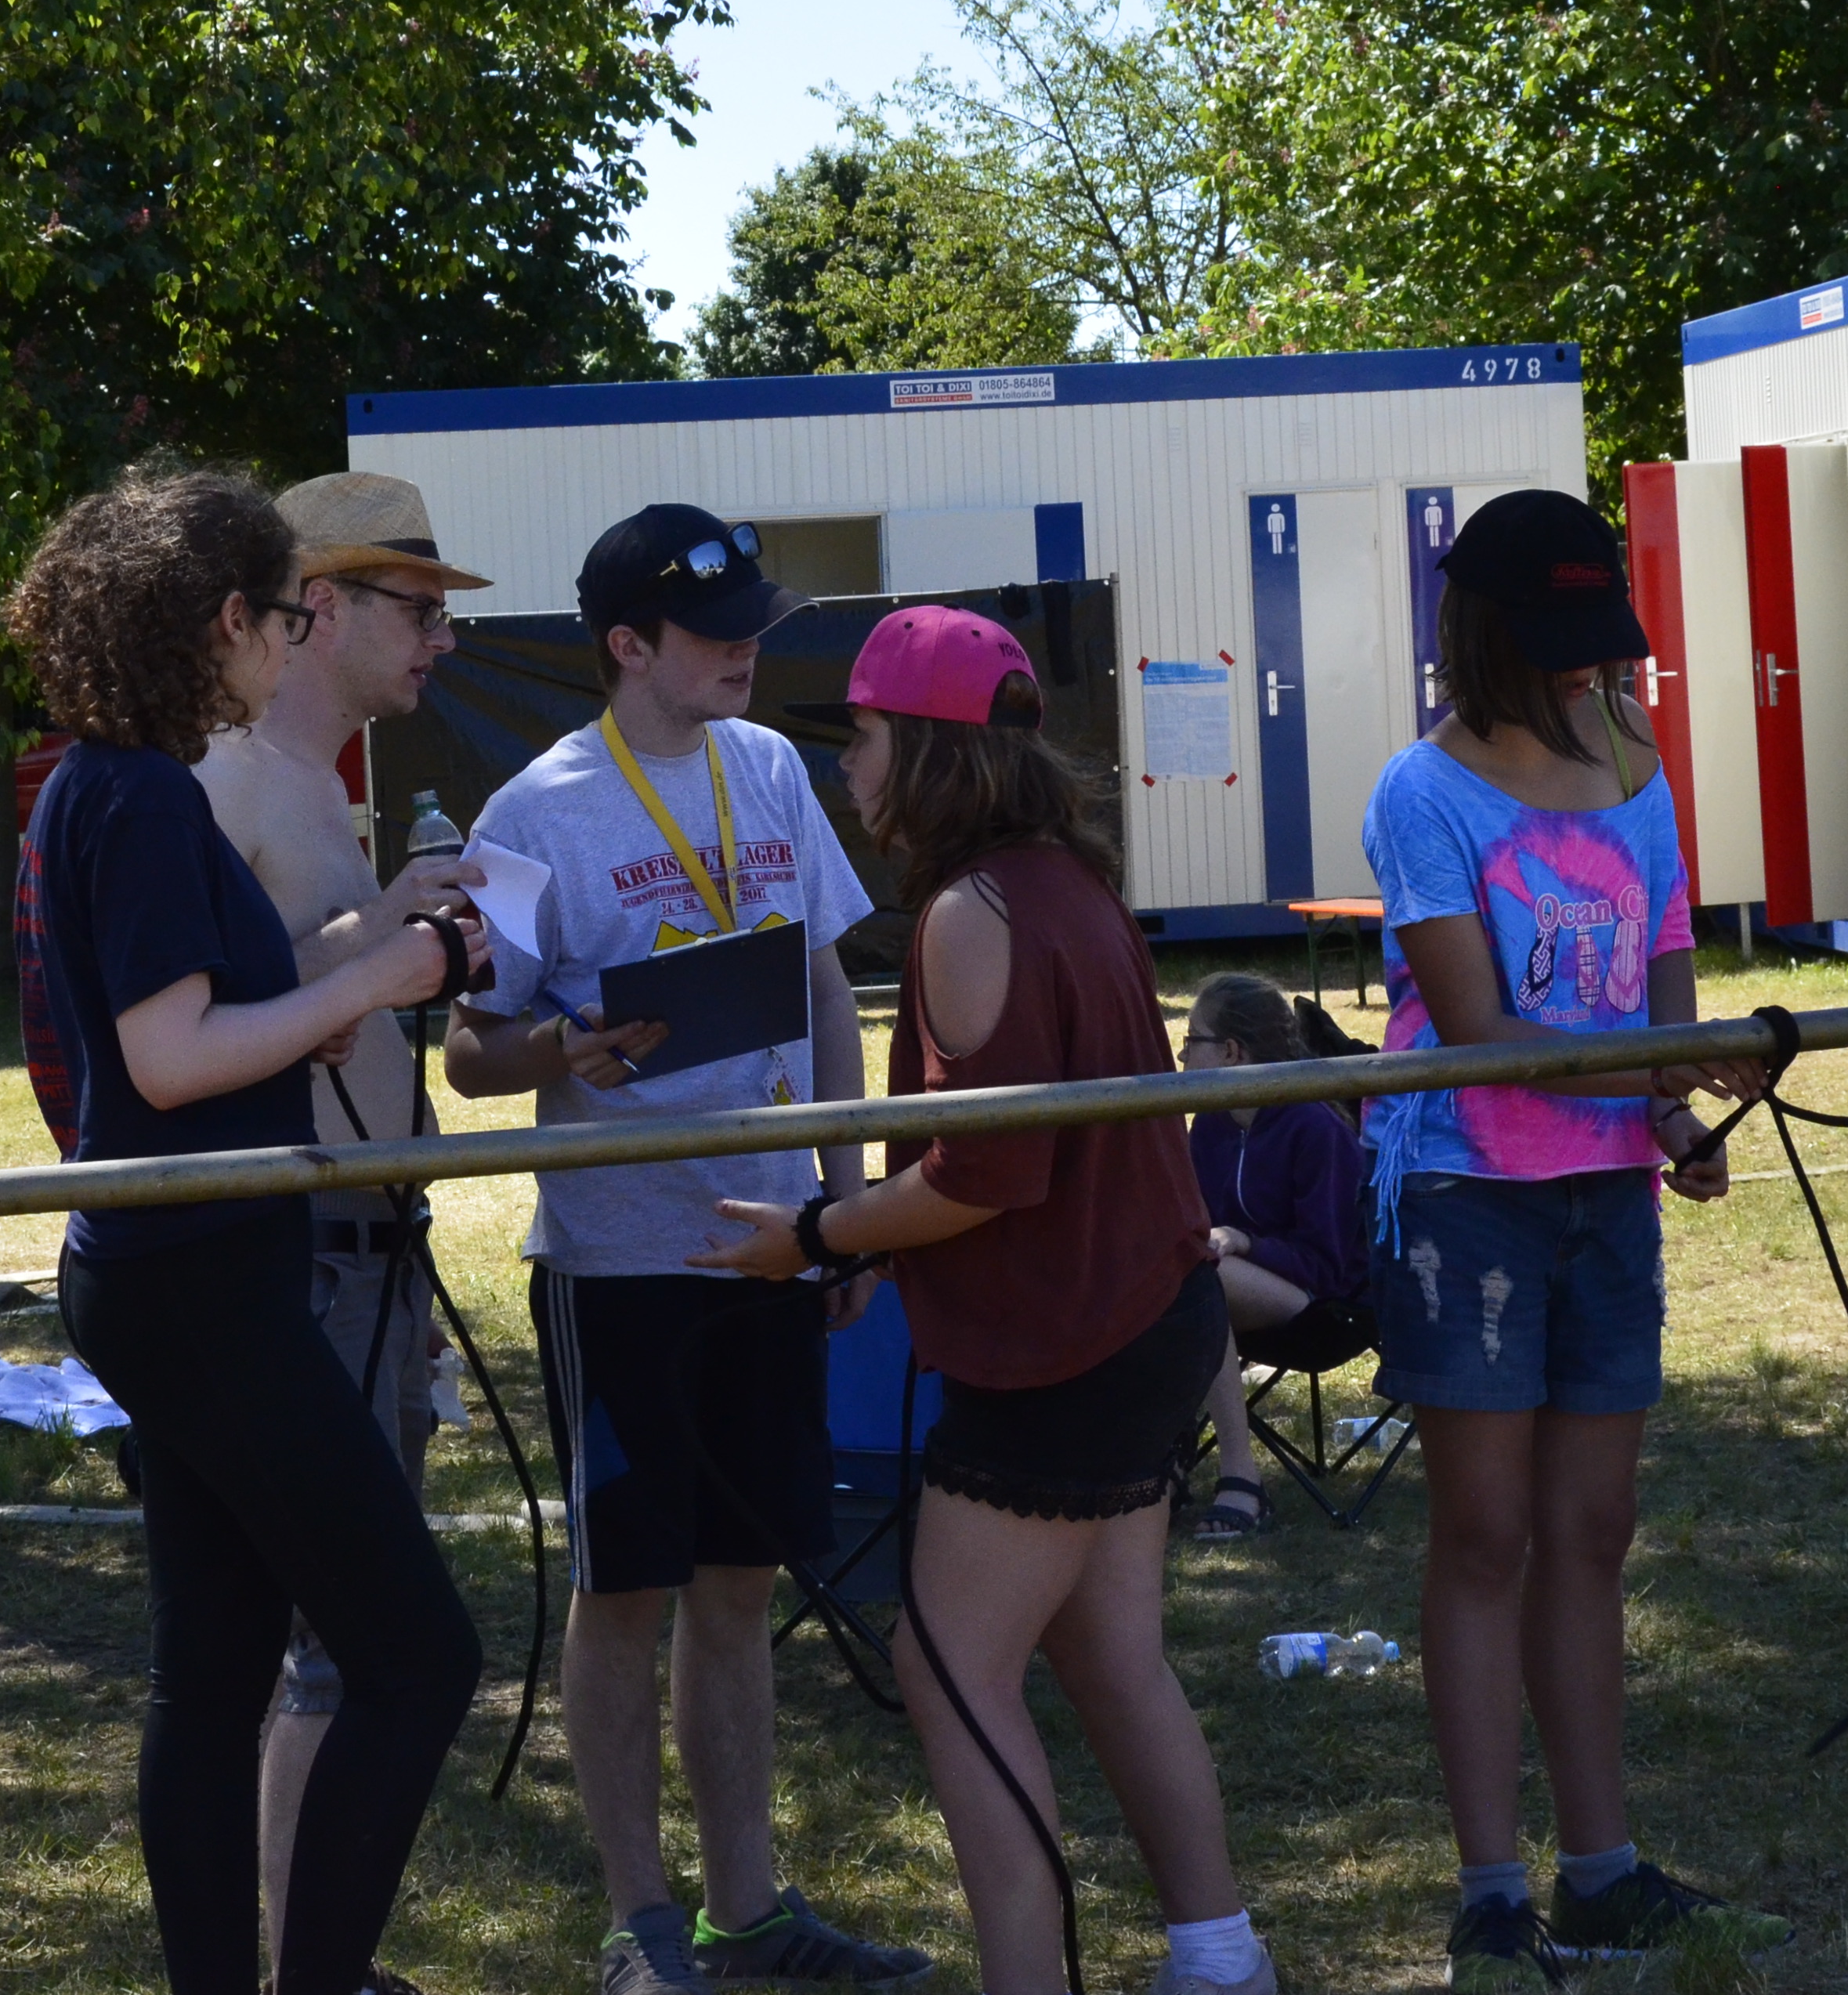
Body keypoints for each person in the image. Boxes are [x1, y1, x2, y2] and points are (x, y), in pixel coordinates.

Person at [698, 603, 1278, 1995]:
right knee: (1112, 1655)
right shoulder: (1070, 883)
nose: (848, 767)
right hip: (1149, 1319)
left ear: (933, 749)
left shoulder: (976, 911)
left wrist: (819, 1233)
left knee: (948, 1668)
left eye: (863, 736)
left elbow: (985, 1176)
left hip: (1068, 1347)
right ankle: (1218, 1959)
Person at [5, 468, 488, 1995]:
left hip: (171, 1265)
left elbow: (186, 1033)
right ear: (225, 619)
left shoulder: (104, 778)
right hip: (197, 1276)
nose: (293, 646)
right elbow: (168, 1057)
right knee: (417, 1655)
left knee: (212, 1683)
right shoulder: (146, 793)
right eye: (286, 619)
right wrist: (380, 979)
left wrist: (337, 987)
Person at [443, 505, 921, 1995]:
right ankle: (640, 1925)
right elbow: (469, 1053)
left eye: (750, 627)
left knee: (738, 1584)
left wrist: (840, 1204)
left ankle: (747, 1908)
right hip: (621, 1263)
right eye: (713, 635)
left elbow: (828, 991)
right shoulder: (530, 811)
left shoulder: (768, 765)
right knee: (626, 1591)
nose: (744, 653)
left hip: (768, 1242)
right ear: (626, 646)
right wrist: (563, 1047)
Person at [1355, 488, 1785, 1990]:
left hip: (1603, 1190)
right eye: (1559, 641)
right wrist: (1662, 1073)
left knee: (1591, 1530)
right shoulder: (1420, 791)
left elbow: (1662, 950)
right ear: (1484, 633)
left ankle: (1600, 1870)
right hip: (1465, 1192)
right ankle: (1490, 1887)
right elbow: (1474, 1028)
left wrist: (1675, 1111)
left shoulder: (1635, 757)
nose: (1588, 668)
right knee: (1484, 1533)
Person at [192, 472, 494, 1957]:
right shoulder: (230, 780)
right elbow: (206, 1017)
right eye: (418, 606)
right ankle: (311, 1966)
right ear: (321, 605)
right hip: (299, 1264)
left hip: (365, 1256)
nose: (441, 637)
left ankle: (320, 1960)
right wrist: (390, 928)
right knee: (338, 1649)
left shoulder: (320, 785)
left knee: (338, 1649)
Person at [1173, 969, 1371, 1541]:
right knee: (1154, 1275)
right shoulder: (1211, 1125)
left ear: (1231, 1052)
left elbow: (1326, 1264)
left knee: (1200, 1283)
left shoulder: (1314, 1127)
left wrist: (1244, 1242)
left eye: (1192, 1040)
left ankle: (1241, 1478)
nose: (1182, 1057)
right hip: (1233, 1287)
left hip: (1327, 1305)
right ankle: (1155, 1462)